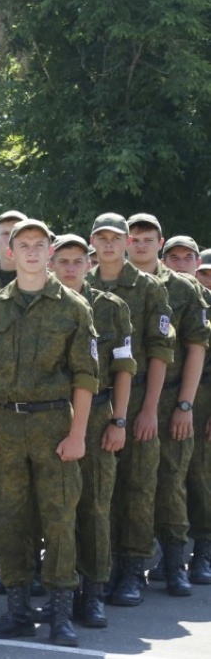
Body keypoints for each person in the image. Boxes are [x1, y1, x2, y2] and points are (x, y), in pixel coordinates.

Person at [0, 219, 98, 647]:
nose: (31, 251)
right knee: (10, 519)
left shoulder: (74, 307)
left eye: (39, 244)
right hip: (6, 425)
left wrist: (78, 434)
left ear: (50, 252)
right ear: (9, 252)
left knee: (60, 518)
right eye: (23, 244)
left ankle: (61, 614)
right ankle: (17, 610)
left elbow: (86, 377)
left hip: (53, 425)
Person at [86, 212, 174, 608]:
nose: (109, 244)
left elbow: (160, 351)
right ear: (93, 242)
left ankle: (133, 569)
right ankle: (99, 568)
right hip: (92, 401)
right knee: (96, 490)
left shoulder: (149, 288)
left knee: (138, 486)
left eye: (115, 238)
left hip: (137, 397)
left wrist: (150, 408)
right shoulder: (81, 284)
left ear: (126, 241)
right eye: (101, 238)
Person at [46, 233, 135, 628]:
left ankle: (94, 593)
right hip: (50, 419)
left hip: (98, 417)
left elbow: (124, 368)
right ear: (51, 264)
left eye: (78, 261)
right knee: (55, 512)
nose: (70, 268)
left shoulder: (111, 308)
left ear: (90, 264)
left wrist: (119, 420)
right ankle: (60, 595)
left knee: (96, 508)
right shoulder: (40, 306)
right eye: (63, 261)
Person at [125, 215, 208, 598]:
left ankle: (175, 564)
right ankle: (130, 566)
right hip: (124, 398)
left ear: (159, 243)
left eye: (148, 238)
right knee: (127, 486)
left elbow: (196, 348)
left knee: (171, 481)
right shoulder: (111, 284)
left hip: (171, 397)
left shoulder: (183, 288)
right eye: (134, 238)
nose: (141, 245)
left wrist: (186, 404)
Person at [189, 248, 211, 584]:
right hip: (179, 394)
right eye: (204, 274)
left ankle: (203, 550)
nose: (208, 279)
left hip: (205, 397)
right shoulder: (183, 300)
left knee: (201, 477)